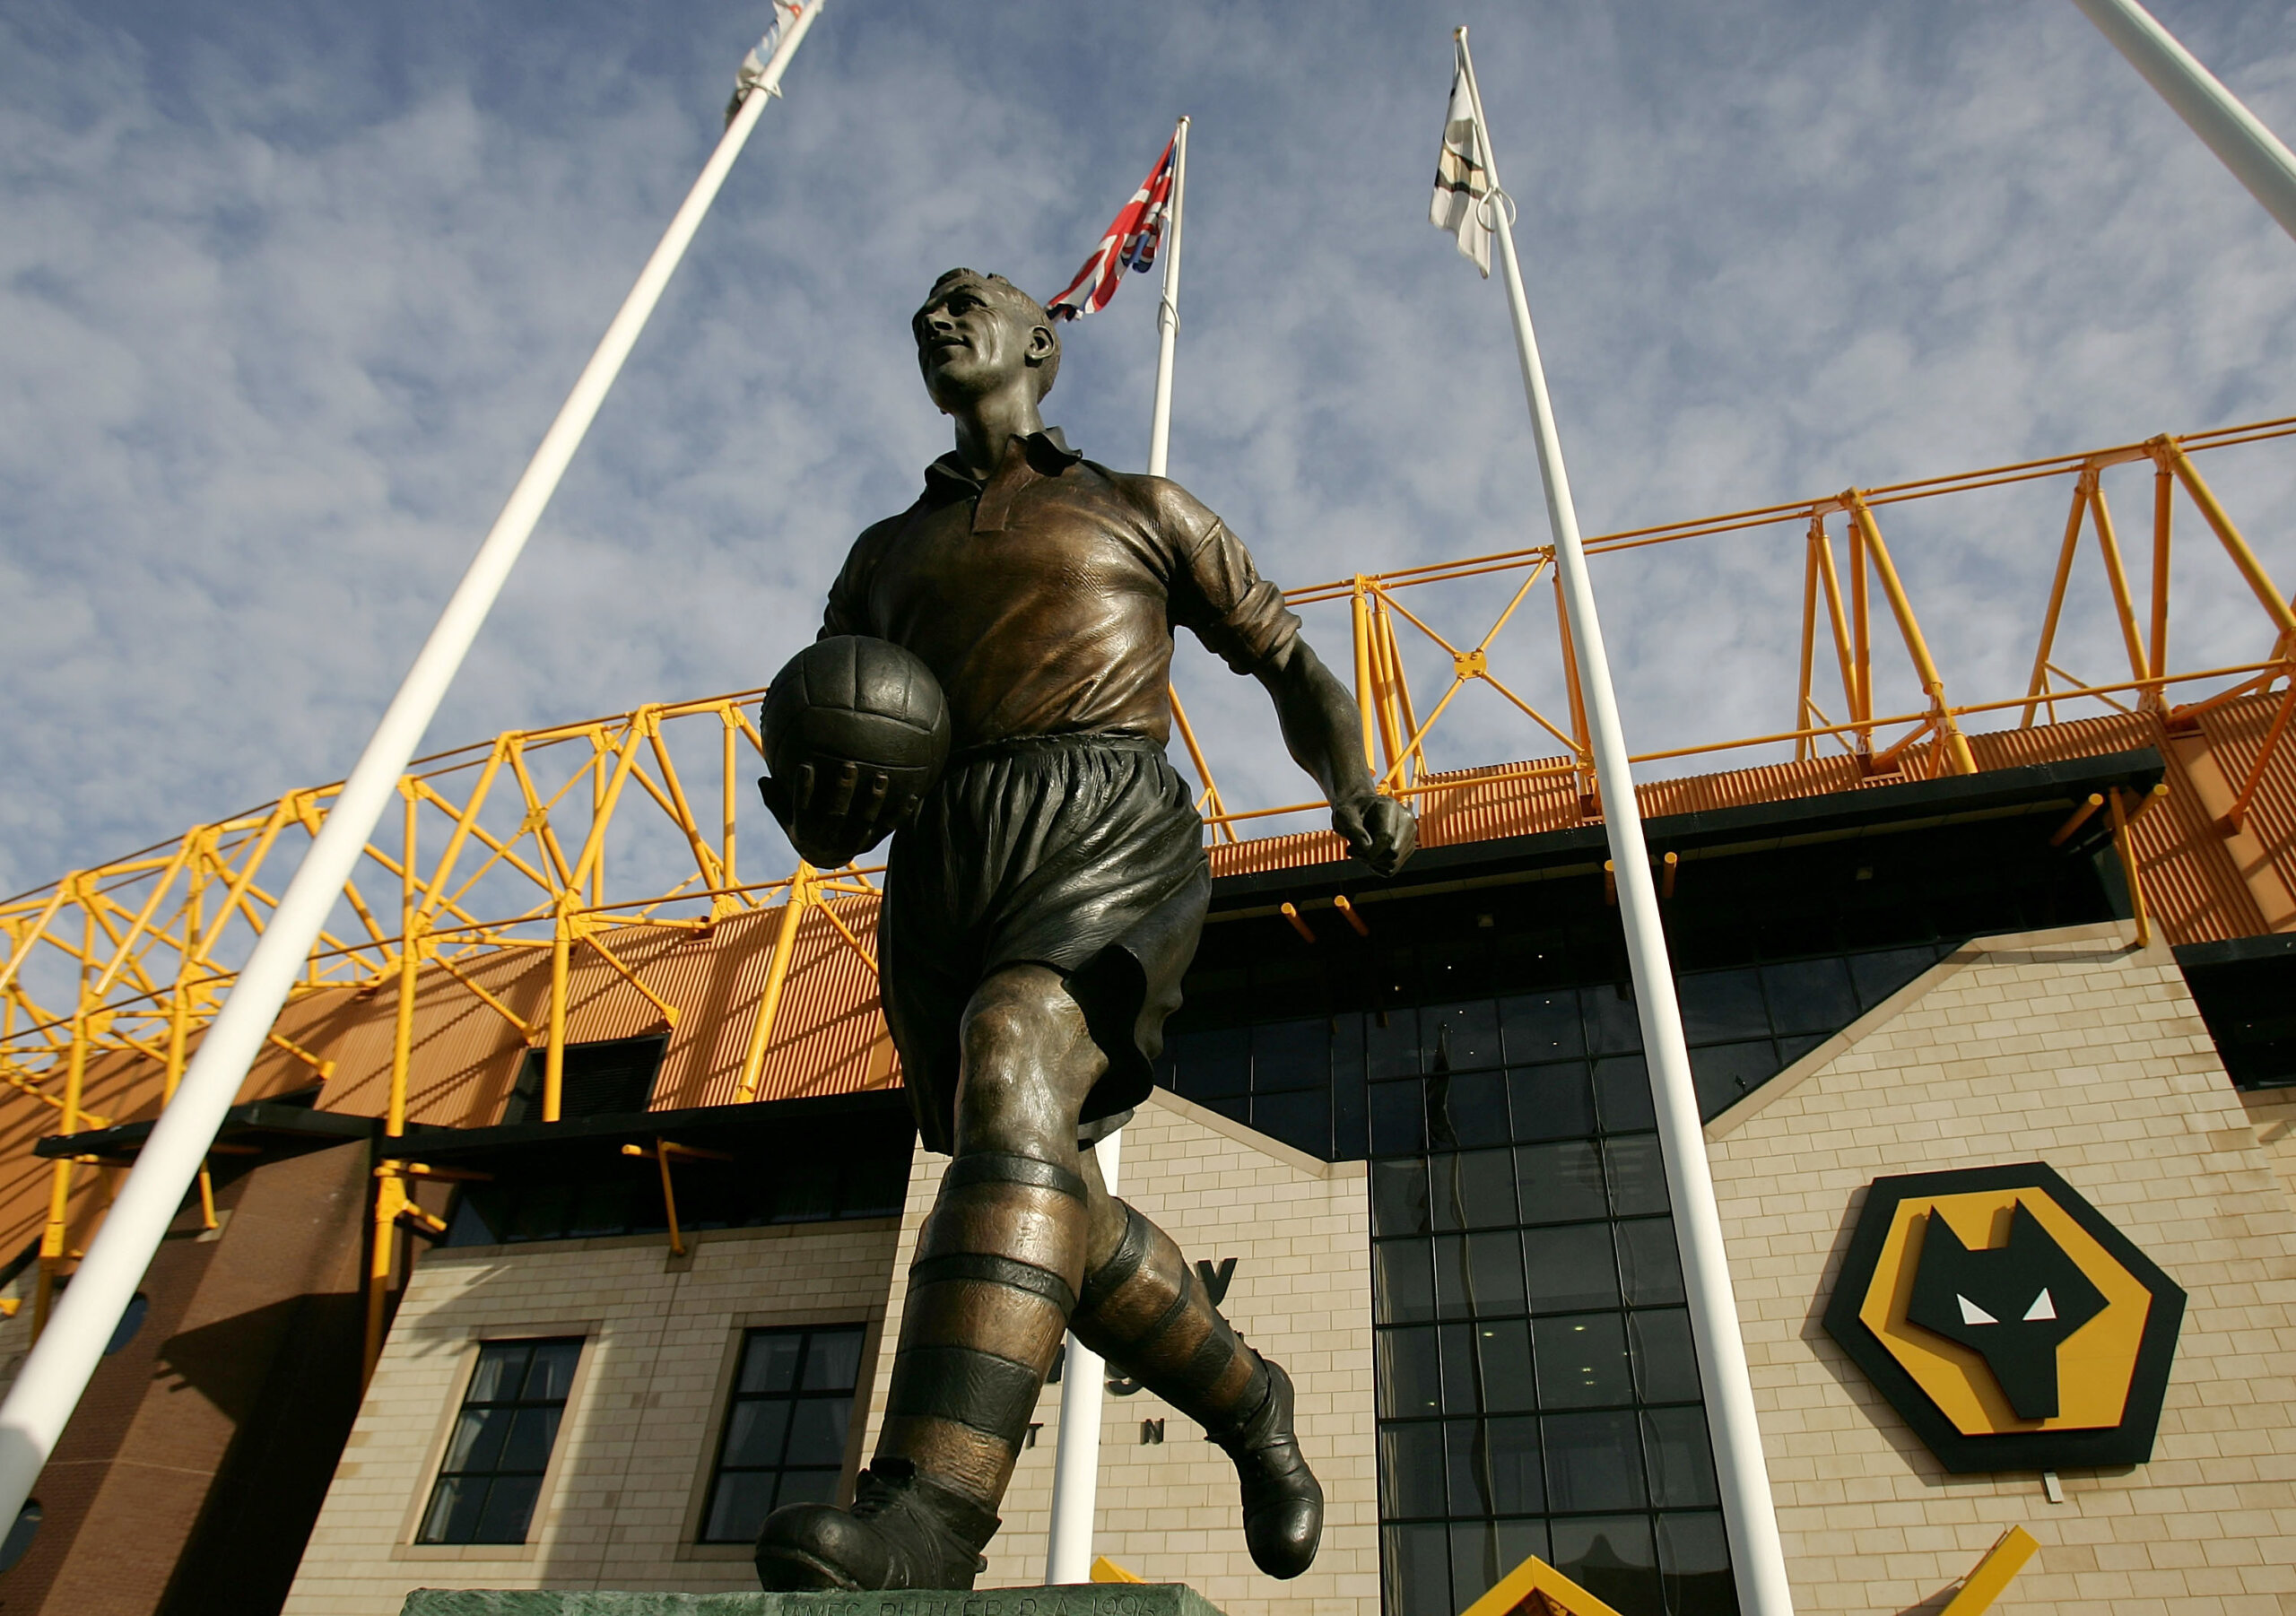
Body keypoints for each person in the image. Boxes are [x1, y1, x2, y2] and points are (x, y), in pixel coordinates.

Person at [754, 267, 1416, 1594]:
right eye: (923, 312)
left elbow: (1286, 661)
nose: (938, 321)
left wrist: (1351, 778)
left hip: (1107, 818)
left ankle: (929, 1514)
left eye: (967, 301)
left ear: (1041, 342)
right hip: (950, 856)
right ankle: (1253, 1404)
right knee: (1042, 1175)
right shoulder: (882, 555)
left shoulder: (1141, 507)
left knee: (1014, 1055)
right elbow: (840, 750)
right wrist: (823, 819)